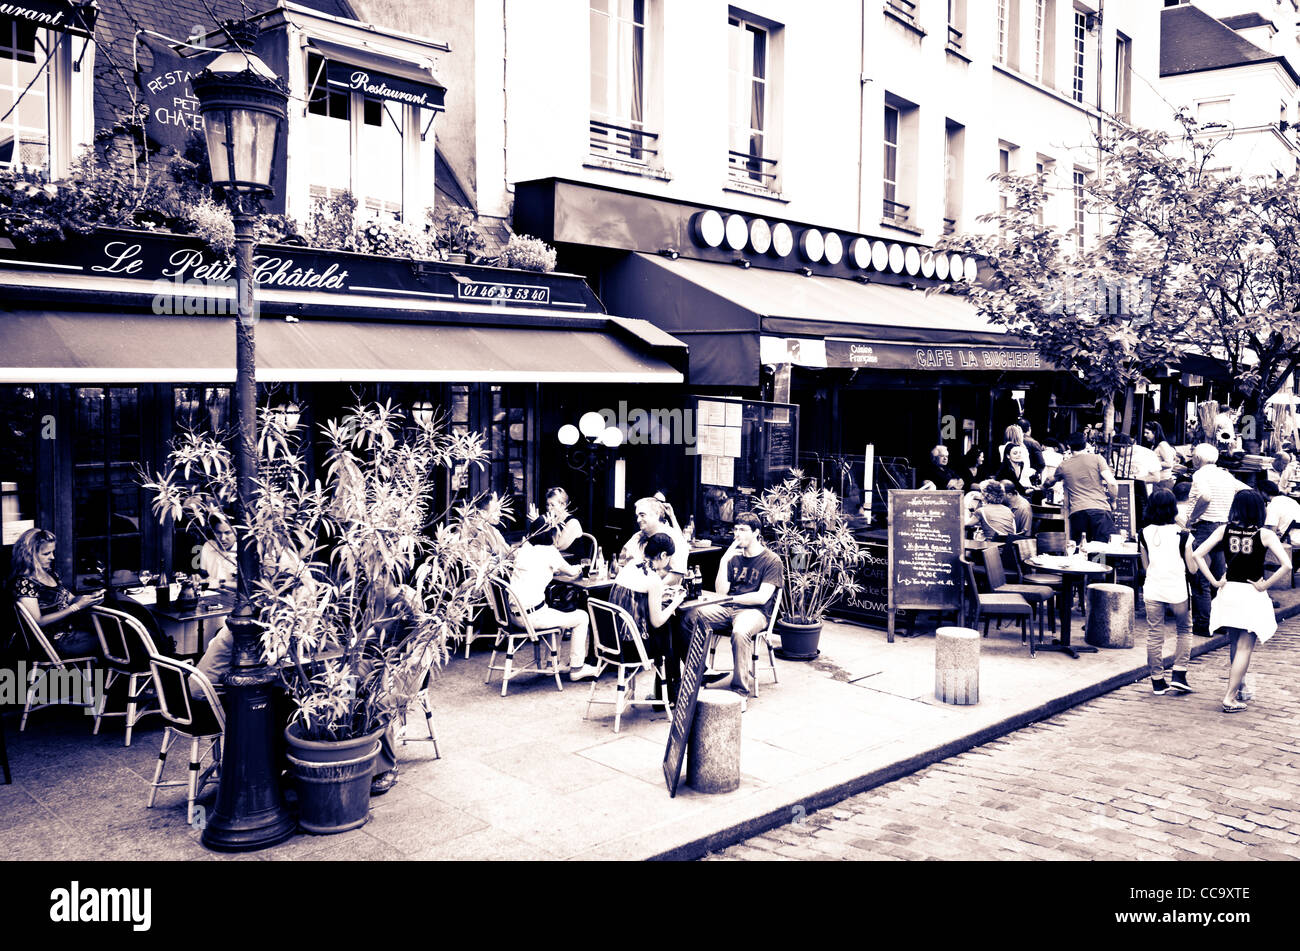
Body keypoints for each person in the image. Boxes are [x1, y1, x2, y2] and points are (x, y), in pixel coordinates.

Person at [1192, 490, 1289, 713]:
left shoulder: (1223, 529)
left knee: (1235, 644)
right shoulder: (1264, 535)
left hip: (1229, 591)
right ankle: (1230, 697)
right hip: (1250, 593)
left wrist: (1215, 582)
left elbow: (1198, 554)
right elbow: (1287, 565)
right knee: (1245, 647)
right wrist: (1265, 585)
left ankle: (1241, 687)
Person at [684, 512, 783, 706]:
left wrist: (732, 599)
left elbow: (762, 597)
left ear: (756, 532)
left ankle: (739, 692)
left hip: (756, 612)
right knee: (689, 616)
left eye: (743, 530)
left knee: (739, 632)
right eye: (736, 529)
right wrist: (723, 561)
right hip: (728, 608)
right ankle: (702, 674)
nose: (737, 534)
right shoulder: (733, 558)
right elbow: (721, 591)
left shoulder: (772, 560)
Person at [510, 518, 597, 681]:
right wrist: (580, 568)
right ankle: (577, 668)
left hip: (513, 616)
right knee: (581, 617)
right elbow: (571, 572)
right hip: (532, 617)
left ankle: (552, 663)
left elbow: (539, 569)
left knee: (558, 612)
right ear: (551, 535)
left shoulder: (525, 548)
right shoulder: (549, 551)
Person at [1179, 444, 1250, 638]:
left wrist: (1193, 517)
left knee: (1200, 576)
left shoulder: (1200, 474)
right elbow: (1247, 491)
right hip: (1224, 527)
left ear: (1197, 459)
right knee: (1219, 575)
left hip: (1205, 527)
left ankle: (1203, 623)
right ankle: (1219, 621)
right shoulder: (1226, 475)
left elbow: (1206, 496)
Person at [608, 532, 687, 705]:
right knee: (671, 627)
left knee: (669, 629)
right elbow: (656, 621)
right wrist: (676, 601)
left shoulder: (630, 566)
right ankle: (670, 693)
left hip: (612, 641)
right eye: (669, 558)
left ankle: (670, 691)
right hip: (632, 647)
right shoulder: (653, 580)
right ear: (664, 555)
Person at [6, 528, 103, 659]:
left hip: (69, 634)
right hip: (52, 643)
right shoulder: (25, 582)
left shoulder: (50, 574)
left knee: (113, 634)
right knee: (111, 641)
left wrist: (89, 598)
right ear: (29, 555)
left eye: (52, 552)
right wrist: (76, 607)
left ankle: (113, 676)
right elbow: (38, 621)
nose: (52, 557)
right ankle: (116, 677)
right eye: (46, 554)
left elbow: (71, 599)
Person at [1138, 489, 1194, 696]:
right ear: (1173, 508)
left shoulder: (1143, 533)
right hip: (1178, 589)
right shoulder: (1184, 535)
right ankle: (1179, 673)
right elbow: (1193, 568)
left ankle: (1157, 680)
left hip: (1153, 588)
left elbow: (1145, 565)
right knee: (1184, 630)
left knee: (1154, 634)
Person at [1044, 432, 1119, 542]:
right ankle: (1098, 560)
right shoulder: (1098, 459)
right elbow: (1112, 483)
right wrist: (1113, 501)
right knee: (1102, 550)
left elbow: (1050, 481)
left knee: (1081, 551)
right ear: (1086, 444)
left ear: (1069, 446)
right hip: (1100, 511)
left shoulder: (1064, 465)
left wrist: (1042, 487)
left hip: (1078, 513)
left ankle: (1086, 558)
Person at [619, 497, 688, 586]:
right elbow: (622, 565)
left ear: (656, 514)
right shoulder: (636, 538)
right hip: (633, 591)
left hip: (663, 595)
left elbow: (677, 574)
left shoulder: (674, 538)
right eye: (637, 516)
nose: (638, 520)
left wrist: (651, 590)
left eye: (642, 515)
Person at [527, 487, 583, 553]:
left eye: (552, 505)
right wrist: (537, 523)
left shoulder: (573, 522)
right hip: (553, 559)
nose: (549, 508)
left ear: (563, 505)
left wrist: (539, 523)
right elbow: (534, 542)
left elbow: (556, 547)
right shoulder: (550, 520)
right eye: (547, 505)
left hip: (571, 561)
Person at [198, 517, 238, 589]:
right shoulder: (208, 546)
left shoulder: (243, 552)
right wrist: (197, 578)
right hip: (211, 593)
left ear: (236, 533)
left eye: (228, 533)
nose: (222, 538)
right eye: (218, 533)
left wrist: (220, 583)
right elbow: (203, 574)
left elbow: (248, 587)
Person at [1143, 422, 1178, 489]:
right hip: (1158, 481)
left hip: (1164, 482)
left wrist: (1152, 463)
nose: (1145, 435)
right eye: (1145, 433)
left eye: (1147, 433)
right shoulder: (1153, 445)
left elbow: (1169, 464)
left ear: (1155, 432)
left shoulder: (1163, 445)